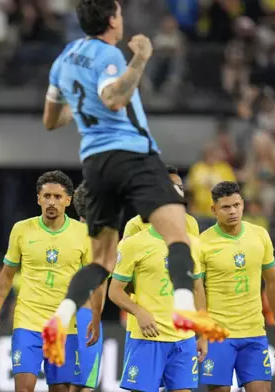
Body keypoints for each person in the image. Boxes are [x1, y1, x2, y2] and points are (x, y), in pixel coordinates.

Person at [42, 0, 224, 364]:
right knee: (180, 235)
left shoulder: (65, 57)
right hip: (133, 155)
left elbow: (51, 119)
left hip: (94, 163)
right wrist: (140, 58)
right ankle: (185, 307)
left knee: (102, 261)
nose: (122, 19)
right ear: (112, 19)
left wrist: (82, 109)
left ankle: (59, 319)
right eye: (120, 13)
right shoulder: (108, 55)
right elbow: (113, 98)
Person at [0, 171, 92, 392]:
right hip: (28, 321)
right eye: (46, 196)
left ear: (68, 200)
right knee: (24, 387)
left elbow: (91, 280)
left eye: (57, 196)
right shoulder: (22, 230)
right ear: (38, 199)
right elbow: (6, 275)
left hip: (65, 324)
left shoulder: (82, 233)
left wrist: (94, 316)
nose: (51, 202)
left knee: (60, 389)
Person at [197, 181, 275, 392]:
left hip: (254, 333)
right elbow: (197, 291)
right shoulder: (202, 243)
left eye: (236, 205)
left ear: (243, 204)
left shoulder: (260, 235)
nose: (233, 211)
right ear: (214, 210)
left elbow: (272, 282)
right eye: (226, 207)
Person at [108, 223, 215, 392]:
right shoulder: (133, 243)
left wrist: (202, 334)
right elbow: (115, 291)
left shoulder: (192, 243)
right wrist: (138, 311)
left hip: (183, 338)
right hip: (148, 337)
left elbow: (197, 288)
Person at [121, 165, 201, 370]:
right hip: (146, 318)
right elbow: (126, 273)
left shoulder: (190, 224)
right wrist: (147, 301)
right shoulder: (136, 226)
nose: (178, 191)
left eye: (181, 187)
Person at [70, 182, 105, 392]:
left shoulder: (67, 233)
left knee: (69, 382)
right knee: (85, 385)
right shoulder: (98, 239)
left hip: (65, 312)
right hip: (87, 315)